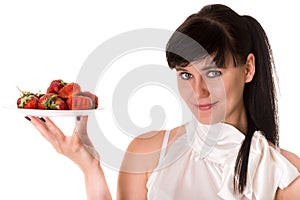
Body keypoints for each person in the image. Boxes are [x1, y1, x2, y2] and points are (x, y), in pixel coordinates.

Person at [25, 4, 300, 200]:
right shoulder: (147, 153)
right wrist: (90, 167)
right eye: (185, 74)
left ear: (248, 69)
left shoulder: (284, 174)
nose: (198, 90)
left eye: (213, 72)